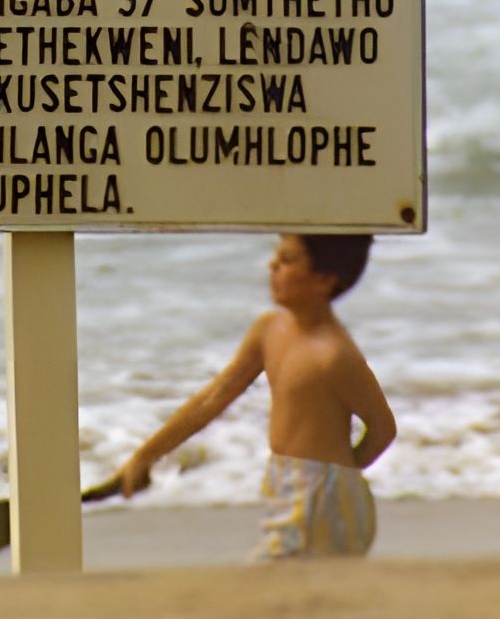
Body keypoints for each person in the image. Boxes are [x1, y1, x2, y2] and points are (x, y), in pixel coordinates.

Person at [118, 233, 396, 560]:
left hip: (322, 495)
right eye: (276, 256)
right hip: (286, 483)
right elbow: (215, 397)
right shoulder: (270, 328)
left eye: (288, 259)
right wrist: (146, 455)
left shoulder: (334, 355)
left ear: (324, 280)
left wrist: (338, 476)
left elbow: (382, 428)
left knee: (275, 586)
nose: (273, 265)